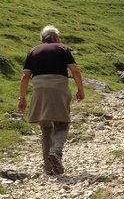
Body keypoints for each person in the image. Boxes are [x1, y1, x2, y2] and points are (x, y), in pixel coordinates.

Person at [18, 25, 85, 175]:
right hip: (58, 87)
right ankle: (55, 152)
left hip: (39, 89)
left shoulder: (33, 51)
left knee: (45, 128)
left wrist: (22, 98)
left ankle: (48, 168)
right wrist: (80, 89)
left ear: (43, 39)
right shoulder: (62, 49)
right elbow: (74, 70)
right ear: (55, 37)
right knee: (62, 123)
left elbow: (25, 76)